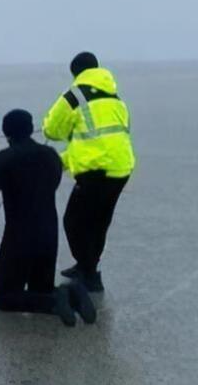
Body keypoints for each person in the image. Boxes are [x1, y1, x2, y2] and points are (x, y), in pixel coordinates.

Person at [0, 109, 97, 326]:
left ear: (6, 133)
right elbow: (51, 182)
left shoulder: (4, 159)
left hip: (19, 235)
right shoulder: (51, 155)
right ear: (29, 127)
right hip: (49, 233)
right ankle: (72, 294)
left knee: (4, 298)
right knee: (40, 289)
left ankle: (56, 303)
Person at [43, 51, 136, 292]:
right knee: (99, 221)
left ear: (75, 73)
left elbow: (52, 131)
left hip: (95, 172)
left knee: (73, 221)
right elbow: (101, 139)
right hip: (120, 169)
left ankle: (89, 273)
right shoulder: (115, 98)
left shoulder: (74, 96)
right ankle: (87, 266)